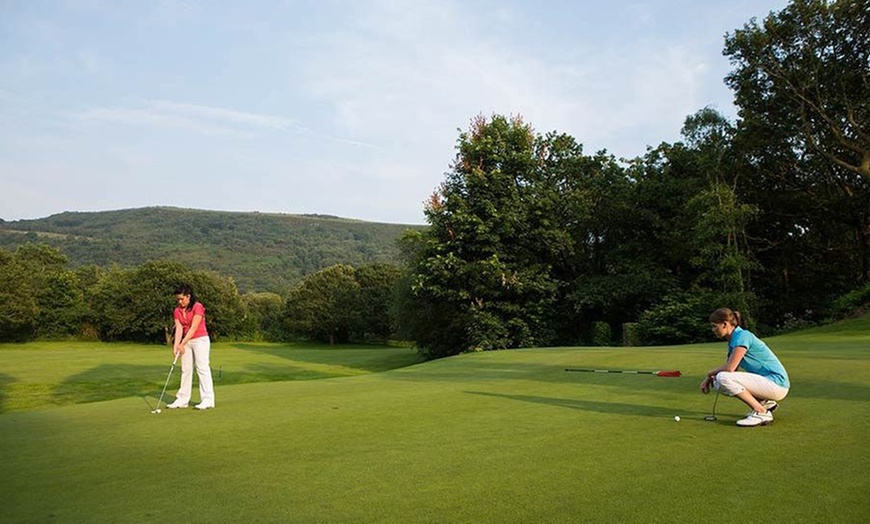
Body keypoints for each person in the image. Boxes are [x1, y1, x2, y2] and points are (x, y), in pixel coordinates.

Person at [701, 308, 789, 427]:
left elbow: (730, 368)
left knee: (722, 377)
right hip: (768, 383)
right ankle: (764, 403)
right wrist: (711, 377)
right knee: (718, 381)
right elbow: (733, 370)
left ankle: (761, 412)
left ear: (725, 324)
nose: (713, 330)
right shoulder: (734, 339)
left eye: (714, 326)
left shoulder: (742, 336)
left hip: (776, 383)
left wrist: (709, 373)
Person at [166, 284, 215, 410]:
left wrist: (182, 343)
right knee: (186, 369)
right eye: (178, 299)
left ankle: (208, 399)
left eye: (182, 299)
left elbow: (193, 328)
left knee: (202, 368)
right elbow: (179, 329)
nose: (180, 301)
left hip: (200, 340)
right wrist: (176, 345)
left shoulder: (197, 307)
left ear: (189, 296)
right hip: (186, 342)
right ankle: (182, 399)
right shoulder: (177, 311)